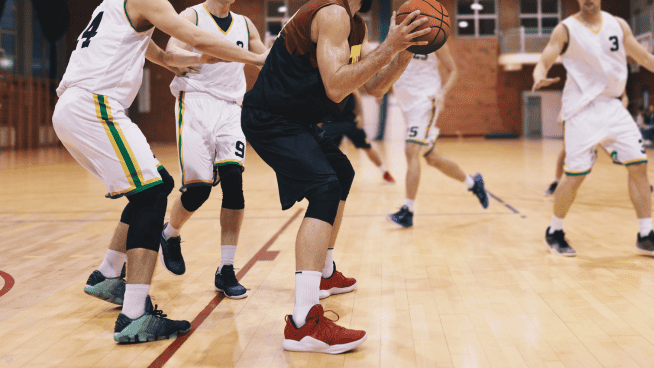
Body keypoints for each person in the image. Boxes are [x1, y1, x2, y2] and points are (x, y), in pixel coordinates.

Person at [53, 0, 265, 343]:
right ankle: (134, 315)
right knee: (153, 194)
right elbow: (194, 35)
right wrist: (257, 58)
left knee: (158, 185)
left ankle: (108, 274)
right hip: (94, 105)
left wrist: (196, 60)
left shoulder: (115, 6)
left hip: (79, 106)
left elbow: (163, 57)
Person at [240, 0, 430, 353]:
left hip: (295, 121)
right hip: (271, 119)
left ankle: (325, 273)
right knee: (325, 187)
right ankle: (302, 324)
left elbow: (372, 87)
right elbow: (336, 87)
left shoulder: (356, 25)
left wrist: (402, 55)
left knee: (341, 172)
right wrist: (390, 46)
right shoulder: (332, 14)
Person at [157, 0, 267, 300]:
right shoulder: (191, 15)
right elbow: (171, 54)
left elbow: (263, 56)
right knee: (199, 190)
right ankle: (170, 234)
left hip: (231, 108)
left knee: (234, 183)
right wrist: (201, 56)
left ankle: (227, 269)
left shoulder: (245, 24)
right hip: (195, 102)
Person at [533, 0, 654, 256]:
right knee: (576, 175)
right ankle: (555, 231)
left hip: (613, 105)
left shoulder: (618, 25)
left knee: (639, 165)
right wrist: (538, 75)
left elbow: (643, 57)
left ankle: (645, 235)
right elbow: (544, 59)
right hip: (581, 110)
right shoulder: (565, 29)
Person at [387, 44, 488, 228]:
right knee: (432, 158)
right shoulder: (402, 34)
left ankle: (407, 211)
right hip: (406, 102)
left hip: (425, 101)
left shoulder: (435, 37)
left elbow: (453, 71)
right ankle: (473, 183)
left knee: (411, 151)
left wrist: (442, 93)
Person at [321, 89, 395, 184]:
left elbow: (357, 96)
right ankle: (324, 178)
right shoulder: (323, 82)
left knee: (367, 147)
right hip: (331, 122)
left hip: (350, 121)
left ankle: (384, 172)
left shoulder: (346, 79)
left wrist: (361, 116)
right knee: (325, 152)